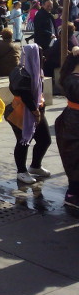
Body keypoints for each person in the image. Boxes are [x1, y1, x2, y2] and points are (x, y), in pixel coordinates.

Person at [7, 44, 51, 184]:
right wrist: (35, 112)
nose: (43, 57)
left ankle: (35, 166)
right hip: (22, 111)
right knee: (24, 141)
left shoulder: (36, 69)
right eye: (40, 55)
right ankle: (21, 171)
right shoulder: (21, 72)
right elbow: (25, 95)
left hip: (37, 109)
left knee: (45, 139)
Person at [57, 47, 79, 208]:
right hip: (74, 122)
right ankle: (72, 194)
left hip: (71, 119)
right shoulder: (74, 80)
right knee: (74, 159)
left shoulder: (70, 76)